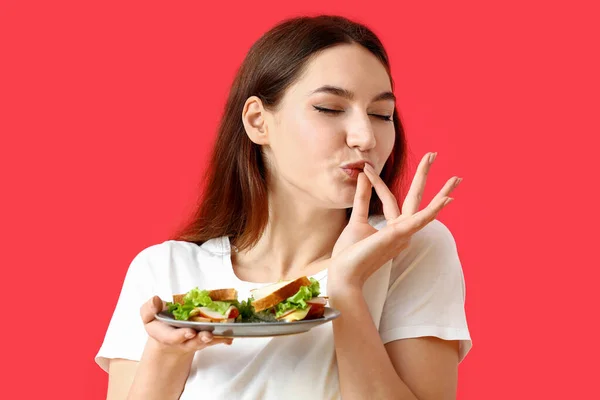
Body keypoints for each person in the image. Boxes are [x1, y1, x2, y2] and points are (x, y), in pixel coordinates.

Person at [96, 14, 472, 400]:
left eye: (381, 115)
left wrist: (347, 288)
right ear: (259, 121)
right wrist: (167, 352)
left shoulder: (407, 249)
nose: (365, 138)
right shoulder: (165, 270)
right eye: (329, 108)